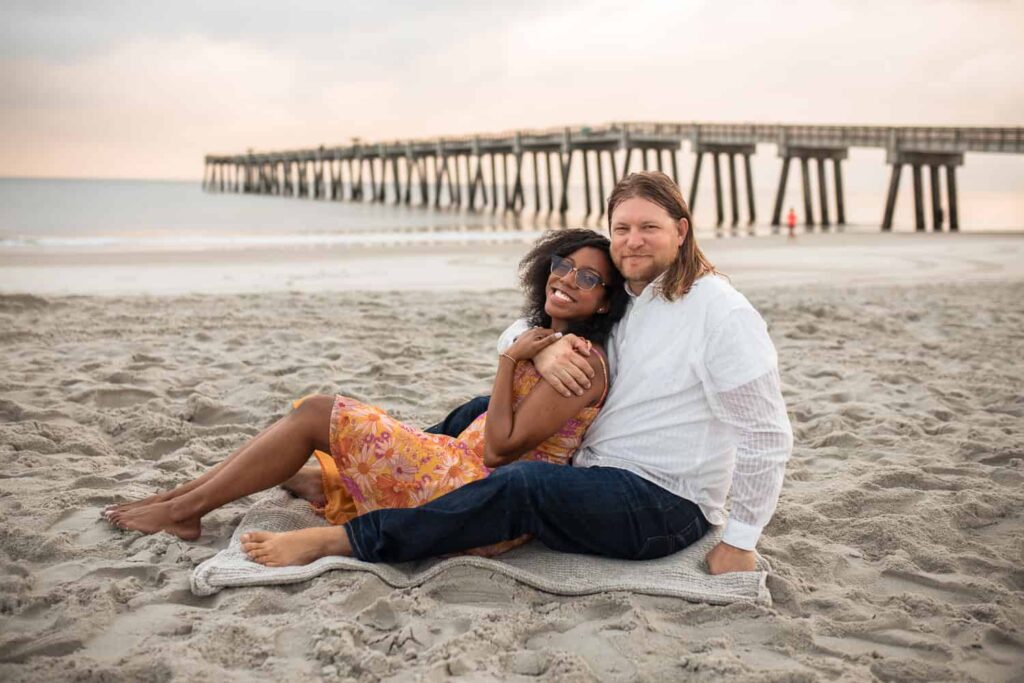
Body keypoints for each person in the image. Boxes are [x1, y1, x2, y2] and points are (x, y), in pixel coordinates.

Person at [239, 172, 792, 575]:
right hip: (596, 467)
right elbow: (525, 326)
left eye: (649, 227)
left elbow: (767, 435)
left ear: (681, 230)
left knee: (521, 485)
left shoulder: (722, 312)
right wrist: (542, 353)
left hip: (661, 502)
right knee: (479, 410)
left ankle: (346, 539)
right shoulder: (628, 293)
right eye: (621, 228)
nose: (632, 241)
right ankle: (370, 482)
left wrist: (740, 541)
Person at [103, 229, 628, 545]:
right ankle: (178, 499)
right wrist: (526, 350)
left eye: (587, 278)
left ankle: (182, 513)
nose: (566, 278)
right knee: (317, 417)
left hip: (475, 493)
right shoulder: (547, 340)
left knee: (316, 412)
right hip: (453, 466)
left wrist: (509, 359)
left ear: (604, 302)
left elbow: (498, 449)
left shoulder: (579, 363)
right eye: (563, 265)